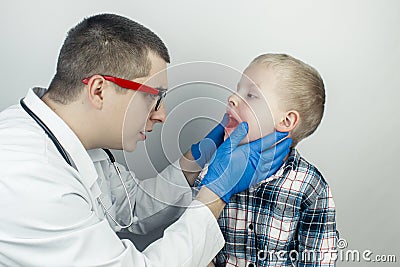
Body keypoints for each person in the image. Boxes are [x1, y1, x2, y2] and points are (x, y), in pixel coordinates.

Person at [0, 14, 292, 266]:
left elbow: (134, 206)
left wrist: (195, 162)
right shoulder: (27, 174)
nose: (161, 115)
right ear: (99, 90)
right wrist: (214, 194)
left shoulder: (75, 143)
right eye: (154, 96)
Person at [193, 54, 337, 266]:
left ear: (286, 120)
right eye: (237, 89)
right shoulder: (213, 172)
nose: (232, 98)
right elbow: (194, 246)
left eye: (251, 95)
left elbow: (318, 260)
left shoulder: (310, 186)